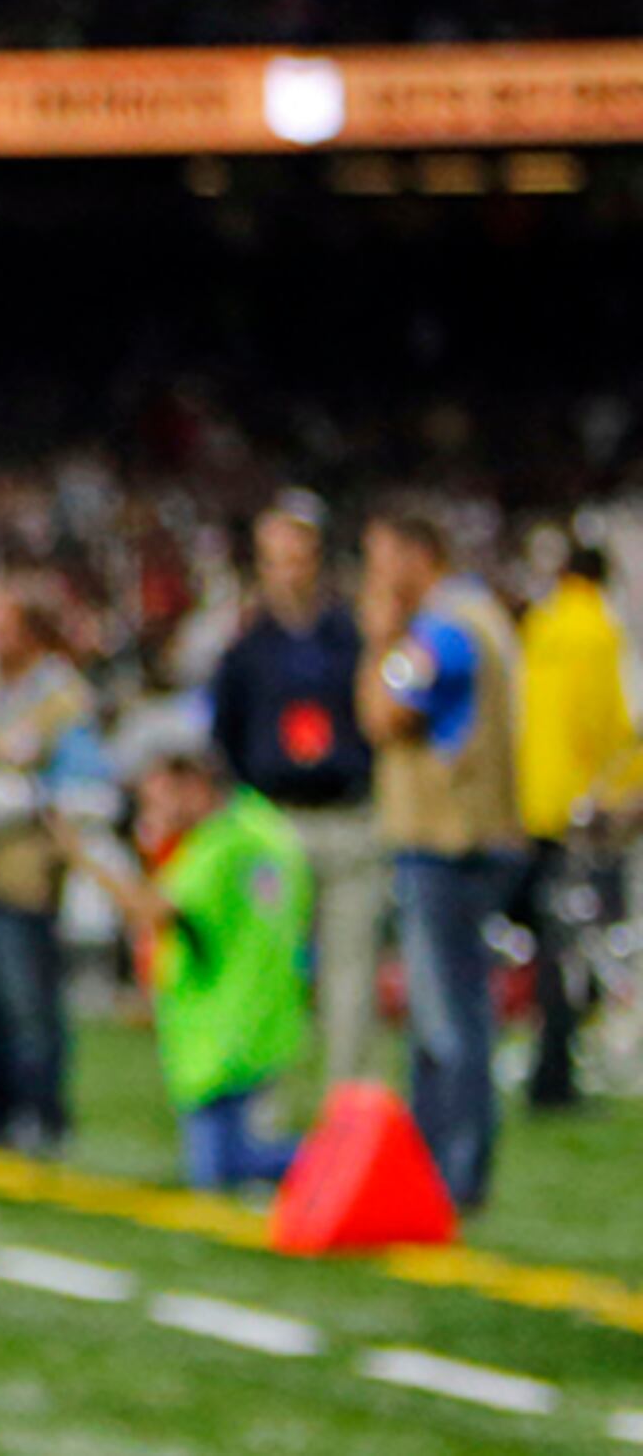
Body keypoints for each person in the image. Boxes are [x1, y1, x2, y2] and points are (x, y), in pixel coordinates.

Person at [56, 709, 312, 1191]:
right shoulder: (261, 824)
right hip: (258, 1016)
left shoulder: (219, 847)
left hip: (222, 1026)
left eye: (161, 797)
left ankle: (336, 1161)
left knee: (223, 1170)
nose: (156, 812)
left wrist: (82, 857)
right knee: (230, 1160)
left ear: (193, 784)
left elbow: (153, 911)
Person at [360, 506, 526, 1211]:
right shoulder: (481, 614)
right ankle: (446, 1168)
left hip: (445, 842)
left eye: (378, 556)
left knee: (447, 1019)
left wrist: (377, 639)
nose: (372, 574)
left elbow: (385, 714)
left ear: (413, 552)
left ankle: (452, 1173)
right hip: (478, 837)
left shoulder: (439, 629)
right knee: (455, 1012)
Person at [209, 496, 384, 1089]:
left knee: (351, 979)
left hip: (346, 815)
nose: (288, 569)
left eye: (298, 555)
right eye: (275, 557)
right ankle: (263, 1122)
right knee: (271, 974)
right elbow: (225, 735)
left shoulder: (353, 636)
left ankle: (349, 1120)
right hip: (275, 819)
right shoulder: (245, 648)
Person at [0, 583, 93, 1152]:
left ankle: (41, 1112)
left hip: (25, 864)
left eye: (3, 625)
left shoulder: (60, 692)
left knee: (27, 996)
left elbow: (56, 770)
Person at [513, 535, 640, 1112]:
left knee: (550, 943)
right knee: (581, 945)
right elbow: (606, 723)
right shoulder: (597, 630)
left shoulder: (540, 626)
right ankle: (557, 1074)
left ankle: (548, 1065)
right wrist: (625, 791)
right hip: (583, 812)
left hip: (534, 805)